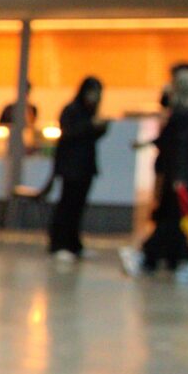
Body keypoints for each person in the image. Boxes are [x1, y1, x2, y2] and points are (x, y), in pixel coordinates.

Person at [124, 64, 188, 284]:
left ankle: (159, 259)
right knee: (175, 221)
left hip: (180, 175)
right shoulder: (186, 116)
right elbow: (181, 147)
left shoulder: (181, 114)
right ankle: (156, 258)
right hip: (184, 177)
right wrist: (180, 177)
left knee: (174, 220)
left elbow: (170, 142)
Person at [46, 76, 110, 263]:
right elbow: (69, 133)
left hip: (85, 167)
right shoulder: (72, 110)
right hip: (71, 166)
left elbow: (90, 138)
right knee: (67, 206)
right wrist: (90, 126)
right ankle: (59, 244)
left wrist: (100, 128)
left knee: (78, 208)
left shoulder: (90, 112)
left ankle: (74, 244)